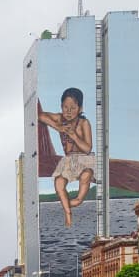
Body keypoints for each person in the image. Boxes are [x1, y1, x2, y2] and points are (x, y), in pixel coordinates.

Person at [38, 88, 95, 228]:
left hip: (85, 160)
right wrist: (58, 127)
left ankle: (76, 201)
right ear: (61, 107)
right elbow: (41, 116)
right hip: (69, 161)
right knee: (58, 182)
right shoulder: (60, 118)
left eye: (73, 108)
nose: (68, 111)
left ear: (80, 108)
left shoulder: (83, 123)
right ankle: (68, 214)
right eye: (65, 107)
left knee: (86, 176)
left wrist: (74, 136)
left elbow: (88, 148)